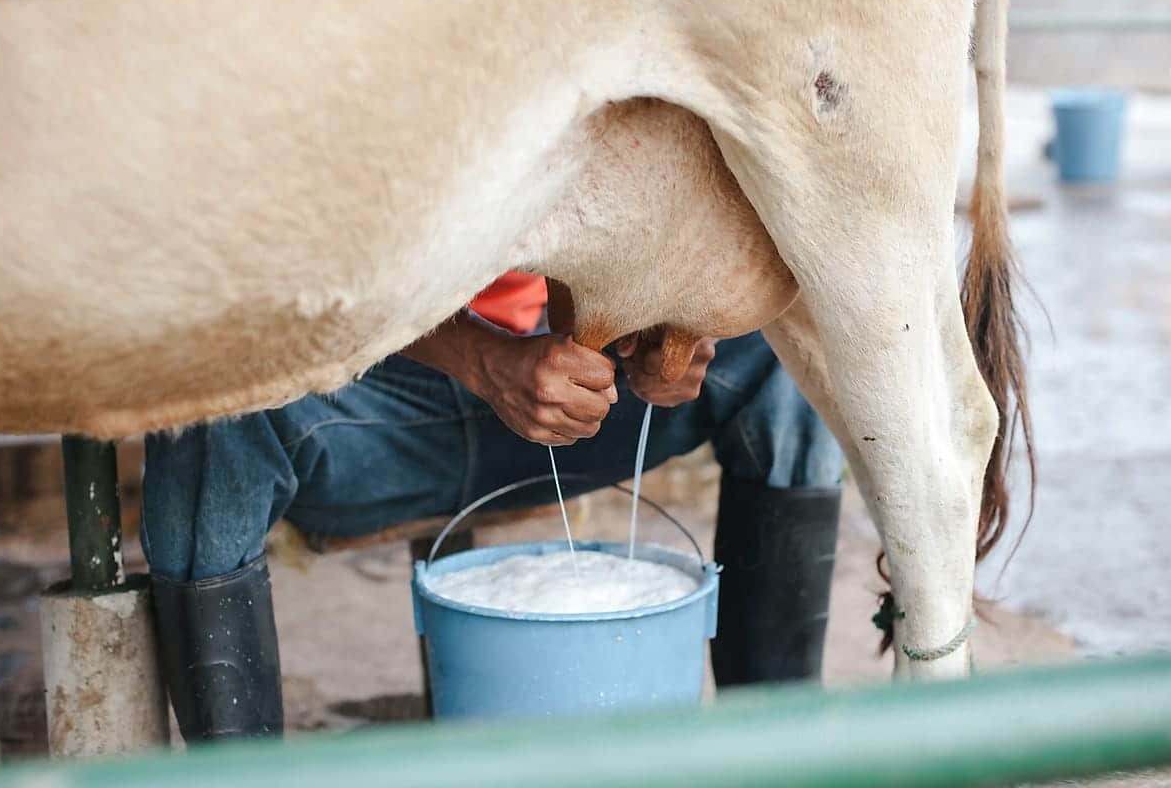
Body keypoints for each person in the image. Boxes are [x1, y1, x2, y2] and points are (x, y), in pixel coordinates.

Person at [141, 272, 844, 741]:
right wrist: (480, 358)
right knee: (209, 411)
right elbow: (276, 273)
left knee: (789, 359)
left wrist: (672, 329)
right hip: (369, 411)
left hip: (577, 394)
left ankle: (774, 742)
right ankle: (239, 768)